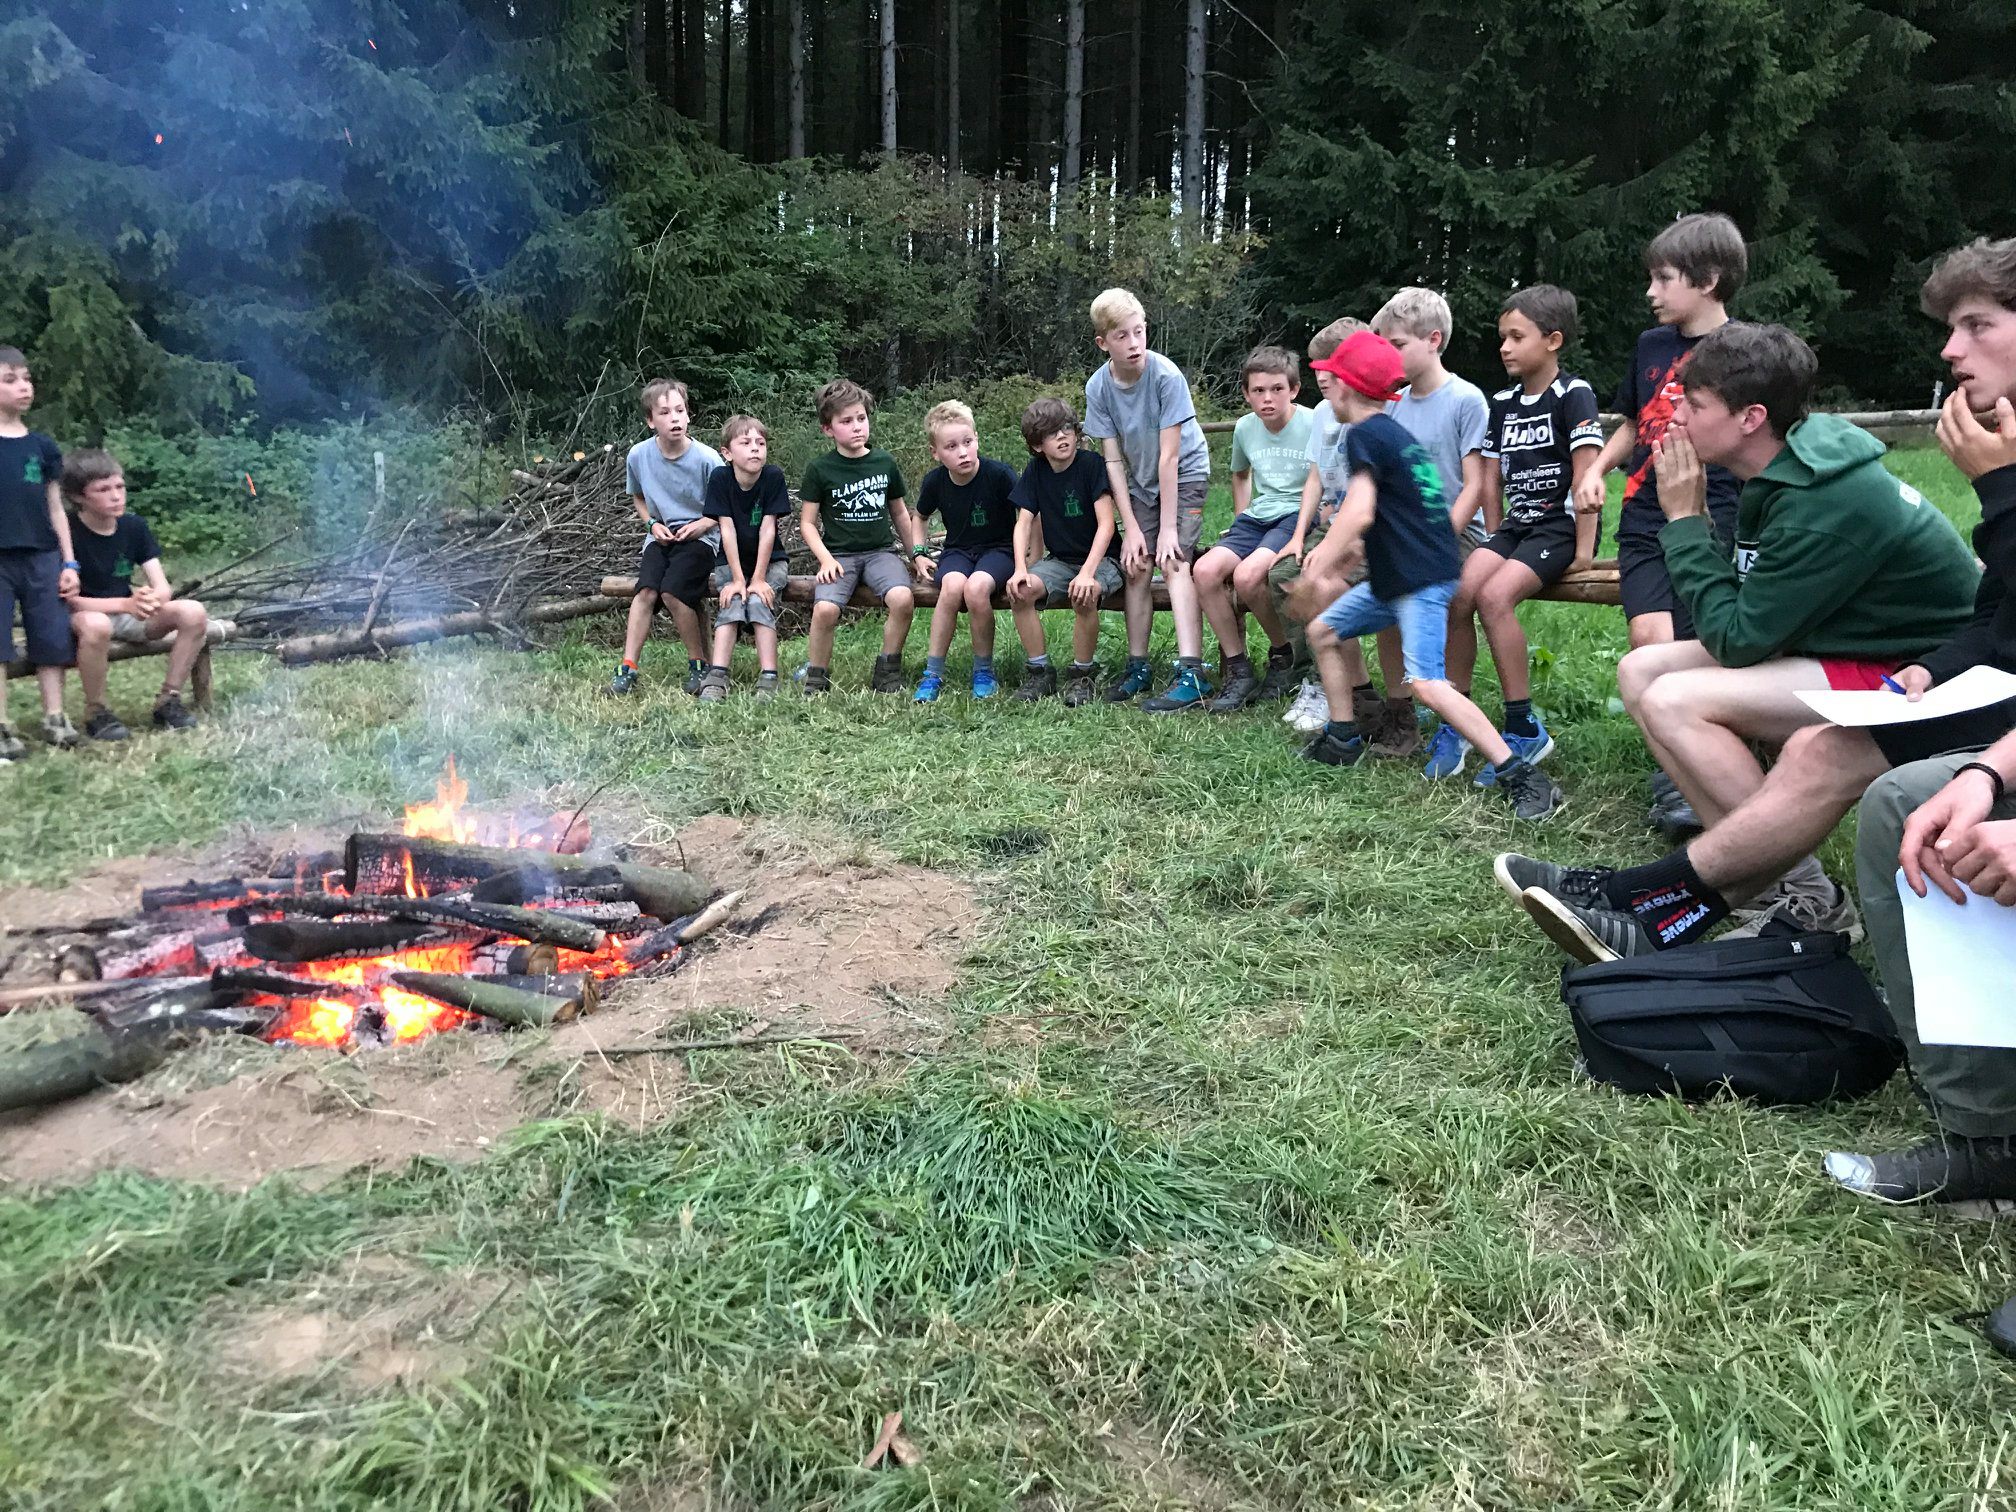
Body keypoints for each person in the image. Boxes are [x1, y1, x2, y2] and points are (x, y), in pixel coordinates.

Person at [1497, 319, 1983, 960]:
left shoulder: (1824, 499)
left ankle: (1807, 900)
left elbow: (1736, 639)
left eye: (1693, 406)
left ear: (1751, 417)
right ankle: (1768, 884)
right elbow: (1746, 607)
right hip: (1854, 643)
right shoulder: (1783, 466)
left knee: (1678, 700)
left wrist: (1685, 519)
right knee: (1643, 672)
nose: (1671, 420)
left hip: (1931, 674)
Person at [1288, 330, 1565, 820]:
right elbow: (1401, 512)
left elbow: (1360, 511)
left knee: (1426, 682)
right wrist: (1352, 554)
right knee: (1323, 632)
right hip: (1403, 575)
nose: (1325, 390)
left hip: (1419, 580)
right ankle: (1343, 737)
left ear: (1347, 389)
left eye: (1329, 382)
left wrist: (1320, 562)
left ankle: (1520, 774)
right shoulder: (1394, 433)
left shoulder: (1365, 434)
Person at [1577, 213, 1749, 835]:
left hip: (1717, 512)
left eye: (1663, 278)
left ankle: (1720, 753)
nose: (1651, 292)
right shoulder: (1651, 347)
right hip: (1646, 510)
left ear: (1708, 280)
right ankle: (1675, 778)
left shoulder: (1744, 353)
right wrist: (1596, 469)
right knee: (1650, 641)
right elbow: (1631, 421)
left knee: (1705, 636)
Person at [1431, 285, 1603, 785]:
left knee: (1494, 597)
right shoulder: (1503, 402)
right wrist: (1493, 530)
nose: (1504, 347)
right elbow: (1489, 477)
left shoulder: (1574, 396)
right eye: (1501, 337)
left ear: (1553, 340)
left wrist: (1587, 551)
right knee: (1459, 594)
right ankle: (1458, 718)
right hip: (1515, 528)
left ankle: (1523, 724)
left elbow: (1586, 475)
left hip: (1560, 526)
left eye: (1515, 337)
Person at [1370, 287, 1492, 757]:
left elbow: (1475, 485)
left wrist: (1435, 539)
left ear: (1433, 339)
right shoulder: (1393, 404)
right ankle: (1398, 716)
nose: (1388, 355)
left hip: (1457, 531)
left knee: (1456, 597)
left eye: (1396, 345)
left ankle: (1456, 713)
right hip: (1404, 531)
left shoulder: (1466, 400)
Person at [1083, 287, 1214, 711]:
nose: (1134, 343)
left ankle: (1192, 672)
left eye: (1139, 332)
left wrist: (1168, 528)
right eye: (1122, 335)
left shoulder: (1166, 376)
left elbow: (1171, 457)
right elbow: (1112, 461)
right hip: (1139, 481)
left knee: (1173, 559)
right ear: (1103, 342)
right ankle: (1137, 666)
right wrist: (1134, 528)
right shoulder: (1098, 387)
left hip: (1185, 472)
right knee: (1135, 564)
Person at [56, 450, 207, 738]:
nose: (116, 496)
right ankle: (96, 711)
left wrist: (152, 600)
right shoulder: (68, 531)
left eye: (120, 487)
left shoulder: (133, 526)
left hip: (128, 613)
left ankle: (168, 699)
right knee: (97, 624)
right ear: (78, 497)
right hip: (82, 617)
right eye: (103, 490)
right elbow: (69, 600)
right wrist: (126, 604)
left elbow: (162, 585)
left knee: (193, 611)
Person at [1196, 346, 1314, 710]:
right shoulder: (1246, 427)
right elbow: (1240, 473)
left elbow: (1319, 480)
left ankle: (1284, 657)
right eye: (1258, 391)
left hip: (1297, 513)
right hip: (1257, 516)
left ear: (1293, 389)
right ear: (1246, 394)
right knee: (1204, 571)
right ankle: (1238, 667)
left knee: (1248, 577)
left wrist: (1303, 530)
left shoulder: (1312, 423)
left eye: (1276, 389)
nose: (1267, 399)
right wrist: (1238, 520)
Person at [799, 378, 926, 694]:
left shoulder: (884, 462)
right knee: (825, 609)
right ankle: (816, 676)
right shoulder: (820, 469)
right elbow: (808, 524)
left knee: (902, 598)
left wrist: (917, 555)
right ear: (828, 429)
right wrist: (825, 559)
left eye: (861, 418)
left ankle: (887, 670)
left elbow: (899, 513)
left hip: (880, 553)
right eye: (846, 421)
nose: (857, 426)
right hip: (838, 556)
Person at [1274, 317, 1363, 732]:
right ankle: (1314, 677)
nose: (1320, 376)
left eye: (1328, 366)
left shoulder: (1377, 411)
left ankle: (1350, 692)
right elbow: (1316, 477)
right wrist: (1298, 535)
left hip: (1364, 530)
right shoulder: (1325, 414)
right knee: (1283, 573)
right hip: (1330, 525)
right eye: (1316, 367)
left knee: (1319, 583)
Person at [609, 377, 721, 697]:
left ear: (688, 415)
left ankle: (698, 664)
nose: (674, 418)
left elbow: (724, 508)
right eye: (664, 412)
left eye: (679, 410)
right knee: (645, 591)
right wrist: (651, 525)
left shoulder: (708, 459)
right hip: (660, 536)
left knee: (672, 593)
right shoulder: (638, 455)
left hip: (701, 538)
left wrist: (703, 525)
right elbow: (639, 497)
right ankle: (628, 666)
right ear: (650, 421)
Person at [1005, 398, 1121, 705]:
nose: (1062, 436)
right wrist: (1020, 568)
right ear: (1037, 444)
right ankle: (1039, 671)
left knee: (1083, 593)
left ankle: (1082, 675)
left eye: (1067, 428)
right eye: (1052, 432)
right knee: (1020, 591)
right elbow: (1023, 523)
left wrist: (1087, 573)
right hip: (1060, 560)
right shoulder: (1036, 470)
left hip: (1104, 558)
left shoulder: (1090, 464)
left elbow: (1107, 525)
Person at [0, 345, 80, 757]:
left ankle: (55, 717)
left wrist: (69, 561)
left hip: (43, 556)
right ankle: (1, 726)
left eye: (26, 378)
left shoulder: (43, 448)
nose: (23, 387)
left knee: (51, 637)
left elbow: (56, 507)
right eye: (10, 380)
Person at [911, 400, 1018, 702]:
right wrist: (918, 553)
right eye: (951, 446)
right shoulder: (935, 482)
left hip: (999, 550)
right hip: (958, 550)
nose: (962, 452)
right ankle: (932, 673)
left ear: (977, 439)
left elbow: (1028, 514)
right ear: (936, 453)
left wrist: (1028, 561)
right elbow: (918, 517)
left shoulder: (999, 475)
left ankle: (983, 669)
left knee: (975, 589)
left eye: (967, 442)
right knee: (952, 586)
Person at [695, 415, 791, 703]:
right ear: (727, 452)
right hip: (730, 560)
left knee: (761, 600)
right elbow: (726, 528)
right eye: (746, 443)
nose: (755, 449)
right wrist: (738, 579)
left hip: (771, 560)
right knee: (732, 602)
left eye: (760, 443)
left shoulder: (772, 477)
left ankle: (769, 677)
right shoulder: (721, 478)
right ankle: (717, 675)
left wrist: (759, 579)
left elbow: (768, 528)